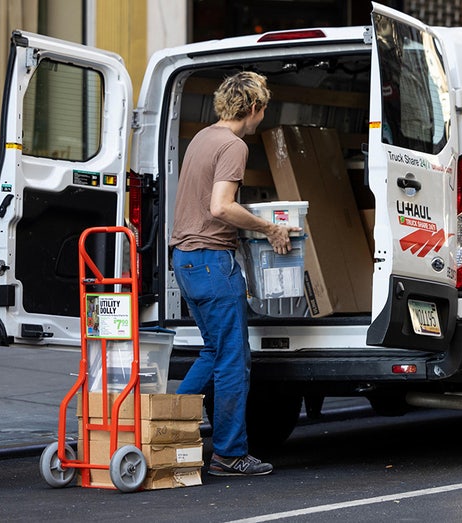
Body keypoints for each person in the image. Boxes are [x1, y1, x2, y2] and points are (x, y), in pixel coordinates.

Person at [169, 71, 299, 477]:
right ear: (256, 108)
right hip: (210, 262)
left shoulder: (204, 138)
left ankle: (166, 428)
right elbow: (221, 206)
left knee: (213, 351)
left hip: (186, 260)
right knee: (232, 360)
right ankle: (228, 454)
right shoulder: (233, 145)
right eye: (264, 107)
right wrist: (270, 228)